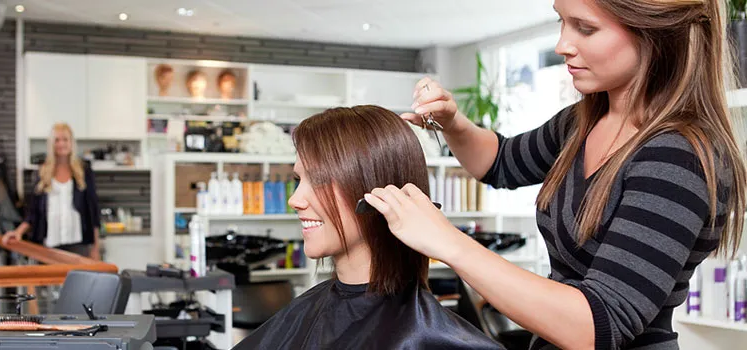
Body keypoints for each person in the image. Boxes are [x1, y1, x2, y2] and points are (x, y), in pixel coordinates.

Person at [363, 0, 747, 349]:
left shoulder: (680, 157)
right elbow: (500, 162)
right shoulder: (582, 122)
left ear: (655, 31)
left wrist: (447, 242)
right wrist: (454, 122)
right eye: (561, 21)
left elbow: (597, 325)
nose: (562, 44)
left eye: (585, 27)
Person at [233, 105, 501, 349]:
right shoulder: (304, 314)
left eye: (318, 180)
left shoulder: (424, 337)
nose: (294, 200)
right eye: (298, 179)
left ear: (375, 192)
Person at [2, 123, 102, 259]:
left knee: (79, 280)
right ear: (51, 144)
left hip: (79, 245)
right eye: (57, 140)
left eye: (65, 139)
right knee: (51, 281)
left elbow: (93, 212)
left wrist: (95, 248)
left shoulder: (84, 172)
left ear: (71, 143)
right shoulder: (43, 172)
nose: (61, 144)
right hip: (49, 245)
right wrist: (18, 232)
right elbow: (33, 212)